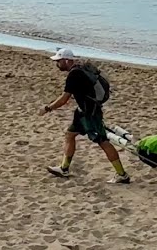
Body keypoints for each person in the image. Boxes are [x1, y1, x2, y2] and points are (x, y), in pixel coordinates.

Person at [39, 48, 131, 184]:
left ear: (66, 60)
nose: (57, 64)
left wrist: (48, 108)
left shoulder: (74, 75)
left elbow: (64, 99)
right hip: (83, 112)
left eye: (58, 61)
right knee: (70, 135)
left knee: (103, 142)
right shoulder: (81, 69)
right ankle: (64, 168)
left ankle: (122, 174)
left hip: (90, 114)